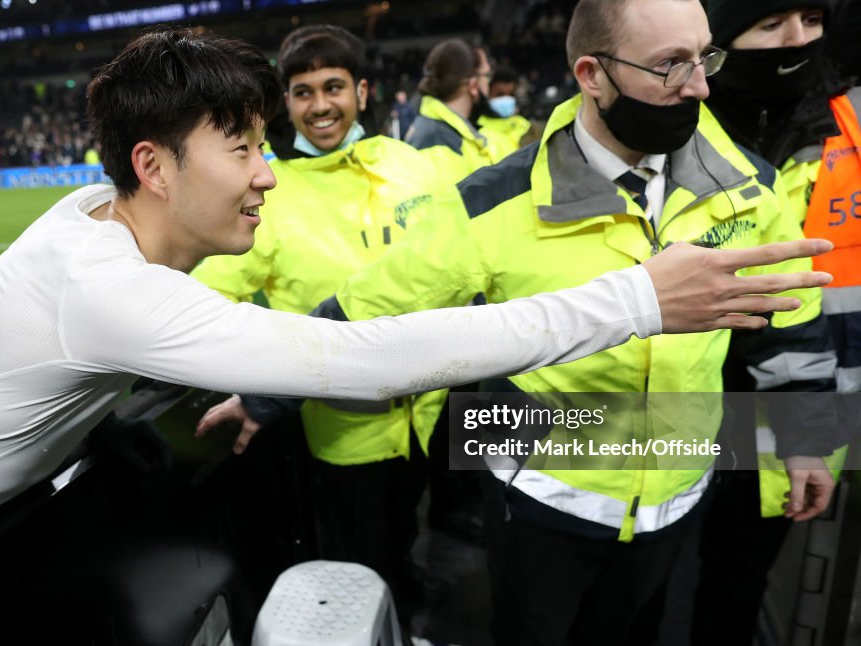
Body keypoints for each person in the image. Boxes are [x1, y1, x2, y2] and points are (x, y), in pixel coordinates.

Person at [0, 26, 832, 590]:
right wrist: (636, 298)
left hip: (671, 476)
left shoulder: (97, 221)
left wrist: (804, 437)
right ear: (153, 165)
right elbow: (364, 351)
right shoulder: (101, 284)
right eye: (242, 147)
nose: (269, 173)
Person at [199, 1, 841, 643]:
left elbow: (793, 321)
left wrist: (808, 438)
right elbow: (375, 303)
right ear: (593, 74)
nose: (700, 85)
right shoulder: (494, 203)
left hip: (678, 497)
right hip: (544, 504)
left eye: (704, 57)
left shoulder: (747, 185)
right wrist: (265, 395)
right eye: (670, 65)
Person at [189, 24, 450, 625]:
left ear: (362, 90)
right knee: (361, 567)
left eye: (333, 86)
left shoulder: (412, 166)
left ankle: (405, 593)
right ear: (287, 103)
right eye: (302, 92)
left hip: (429, 417)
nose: (320, 105)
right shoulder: (270, 194)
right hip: (341, 438)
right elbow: (207, 291)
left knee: (408, 531)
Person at [694, 2, 859, 642]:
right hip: (658, 409)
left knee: (732, 592)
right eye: (769, 24)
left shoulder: (851, 129)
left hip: (789, 424)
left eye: (811, 17)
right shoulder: (665, 127)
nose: (796, 40)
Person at [406, 39, 513, 182]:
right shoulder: (438, 141)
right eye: (487, 76)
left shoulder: (446, 132)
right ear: (473, 86)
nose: (488, 84)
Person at [478, 66, 535, 156]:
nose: (506, 100)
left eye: (511, 95)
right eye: (500, 95)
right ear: (487, 93)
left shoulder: (526, 126)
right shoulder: (477, 130)